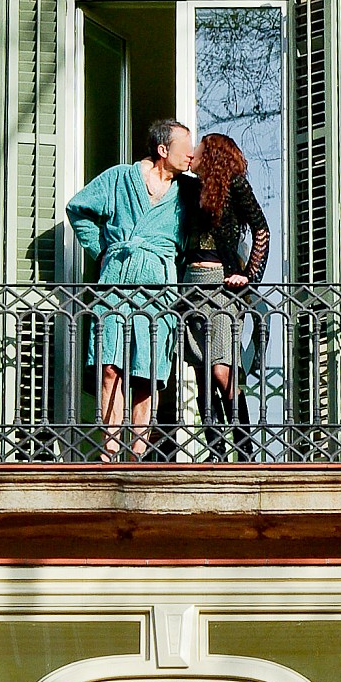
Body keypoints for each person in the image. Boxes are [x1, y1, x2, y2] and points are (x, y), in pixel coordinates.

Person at [66, 118, 194, 462]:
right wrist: (101, 249)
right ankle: (110, 451)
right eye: (185, 149)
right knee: (110, 367)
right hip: (117, 281)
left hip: (159, 289)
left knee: (147, 375)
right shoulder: (119, 178)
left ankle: (137, 454)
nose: (191, 156)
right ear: (162, 149)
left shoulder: (187, 192)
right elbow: (78, 209)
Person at [180, 131, 270, 460]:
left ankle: (244, 448)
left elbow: (262, 229)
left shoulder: (235, 186)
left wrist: (249, 276)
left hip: (221, 284)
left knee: (221, 369)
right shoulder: (189, 189)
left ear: (214, 155)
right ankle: (216, 449)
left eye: (199, 150)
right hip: (190, 283)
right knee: (202, 371)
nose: (193, 155)